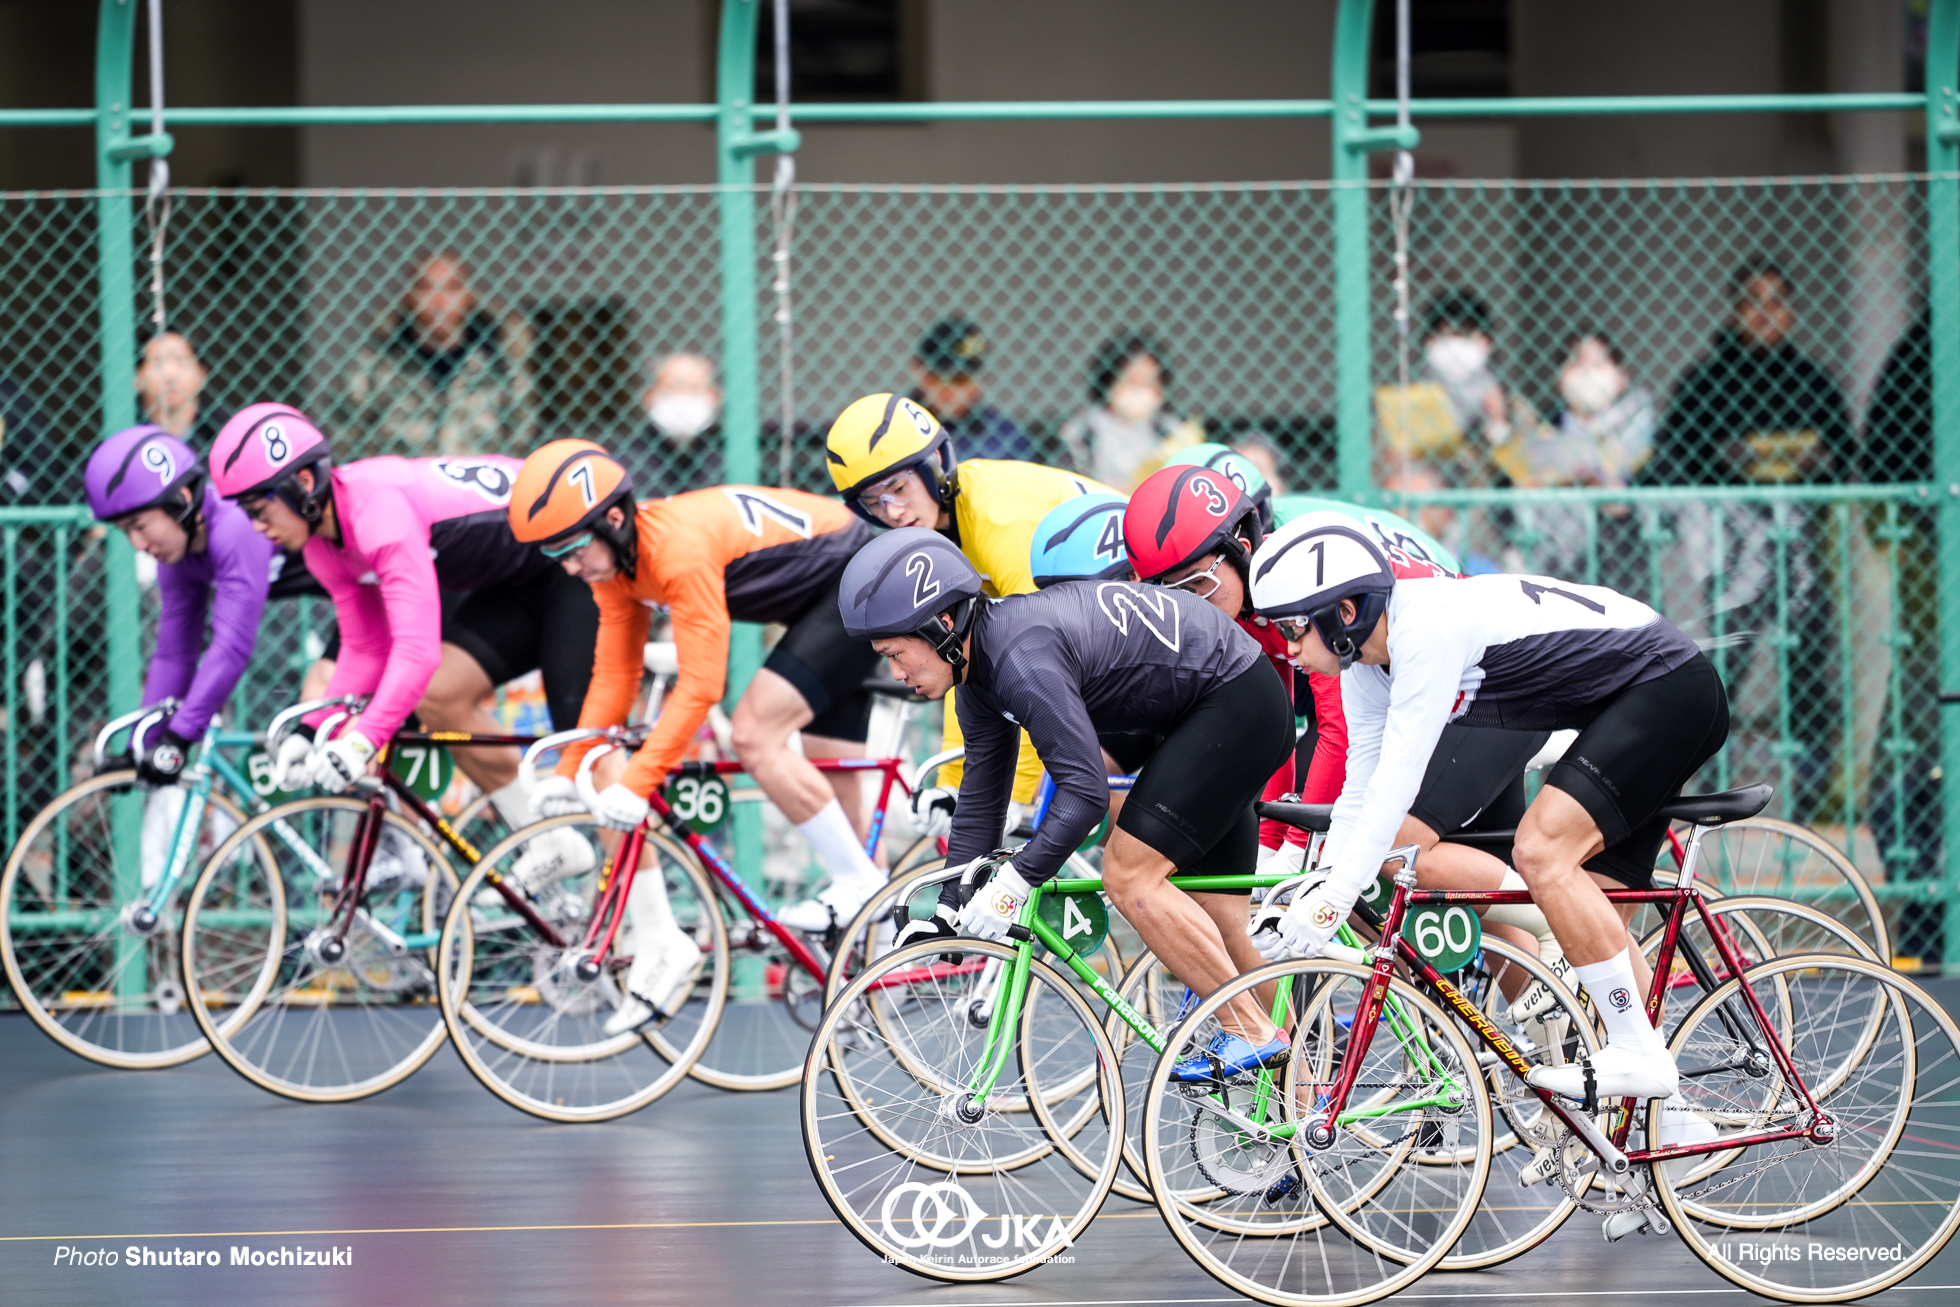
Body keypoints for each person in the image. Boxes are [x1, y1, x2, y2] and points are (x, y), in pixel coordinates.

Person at [1248, 510, 1729, 1114]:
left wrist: (1333, 900)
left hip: (1666, 688)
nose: (1287, 650)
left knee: (1540, 853)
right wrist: (1316, 887)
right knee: (1593, 918)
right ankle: (1674, 1133)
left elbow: (1398, 785)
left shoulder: (1424, 628)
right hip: (1624, 706)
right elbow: (1360, 790)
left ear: (1345, 613)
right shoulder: (1366, 665)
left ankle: (1638, 1052)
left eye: (1294, 628)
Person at [846, 528, 1296, 1077]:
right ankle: (1303, 1106)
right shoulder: (980, 674)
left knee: (1129, 875)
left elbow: (1083, 795)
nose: (895, 673)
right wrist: (949, 900)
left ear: (941, 625)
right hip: (1215, 705)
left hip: (1233, 702)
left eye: (895, 653)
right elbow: (983, 798)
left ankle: (1249, 1029)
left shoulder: (1019, 658)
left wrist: (1016, 883)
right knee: (1225, 922)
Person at [509, 440, 886, 1027]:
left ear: (613, 519)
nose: (568, 568)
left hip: (858, 573)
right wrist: (569, 767)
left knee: (754, 733)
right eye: (553, 556)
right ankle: (885, 946)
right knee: (837, 784)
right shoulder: (618, 567)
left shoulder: (676, 551)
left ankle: (864, 887)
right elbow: (615, 674)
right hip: (822, 593)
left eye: (572, 549)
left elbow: (701, 688)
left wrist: (636, 782)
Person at [206, 404, 597, 866]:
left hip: (578, 558)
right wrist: (310, 730)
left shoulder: (378, 514)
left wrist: (362, 739)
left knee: (590, 750)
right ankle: (548, 840)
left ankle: (653, 928)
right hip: (519, 581)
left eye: (259, 508)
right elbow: (365, 648)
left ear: (303, 485)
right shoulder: (322, 545)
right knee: (440, 696)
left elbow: (416, 650)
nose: (255, 526)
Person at [824, 392, 1119, 811]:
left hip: (1149, 620)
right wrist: (950, 783)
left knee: (1084, 803)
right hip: (1099, 624)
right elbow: (959, 661)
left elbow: (1040, 666)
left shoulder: (998, 517)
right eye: (874, 501)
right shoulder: (944, 531)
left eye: (898, 487)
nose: (892, 511)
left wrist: (1015, 797)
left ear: (934, 467)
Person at [1649, 258, 1852, 813]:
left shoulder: (1812, 380)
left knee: (1808, 671)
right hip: (1735, 556)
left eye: (1777, 302)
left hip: (1801, 554)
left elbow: (1846, 455)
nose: (1766, 314)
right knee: (1723, 669)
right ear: (1736, 310)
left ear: (1792, 312)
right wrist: (1728, 460)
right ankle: (1697, 790)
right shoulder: (1708, 381)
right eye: (1754, 302)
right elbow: (1675, 454)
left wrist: (1812, 460)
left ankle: (1815, 793)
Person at [84, 426, 276, 884]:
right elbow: (174, 654)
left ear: (183, 499)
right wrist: (146, 742)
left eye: (138, 526)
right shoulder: (182, 557)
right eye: (123, 531)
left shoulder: (232, 527)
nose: (136, 544)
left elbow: (229, 649)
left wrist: (179, 737)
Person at [1489, 331, 1656, 583]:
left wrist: (1622, 501)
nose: (1588, 374)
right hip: (1552, 574)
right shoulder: (1536, 436)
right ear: (1560, 378)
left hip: (1624, 575)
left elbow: (1664, 503)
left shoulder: (1644, 436)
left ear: (1622, 377)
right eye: (1577, 364)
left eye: (1599, 364)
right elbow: (1499, 508)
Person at [336, 250, 537, 457]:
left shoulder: (500, 366)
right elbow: (347, 440)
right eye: (426, 287)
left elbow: (521, 440)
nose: (439, 301)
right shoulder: (376, 367)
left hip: (476, 485)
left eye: (451, 287)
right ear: (410, 296)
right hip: (401, 488)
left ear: (468, 296)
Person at [1058, 334, 1205, 490]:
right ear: (1109, 382)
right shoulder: (1081, 431)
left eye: (1150, 383)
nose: (1140, 392)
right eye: (1132, 381)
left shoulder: (1173, 429)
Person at [908, 317, 1032, 463]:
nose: (950, 390)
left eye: (961, 380)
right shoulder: (895, 425)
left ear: (980, 382)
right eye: (938, 377)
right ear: (917, 369)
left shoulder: (1008, 437)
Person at [620, 351, 724, 496]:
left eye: (693, 387)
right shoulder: (624, 463)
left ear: (715, 397)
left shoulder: (730, 456)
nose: (682, 396)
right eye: (671, 387)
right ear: (649, 396)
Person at [135, 326, 231, 451]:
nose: (170, 374)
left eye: (181, 360)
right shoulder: (123, 429)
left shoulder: (225, 430)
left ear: (202, 374)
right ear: (137, 378)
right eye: (157, 362)